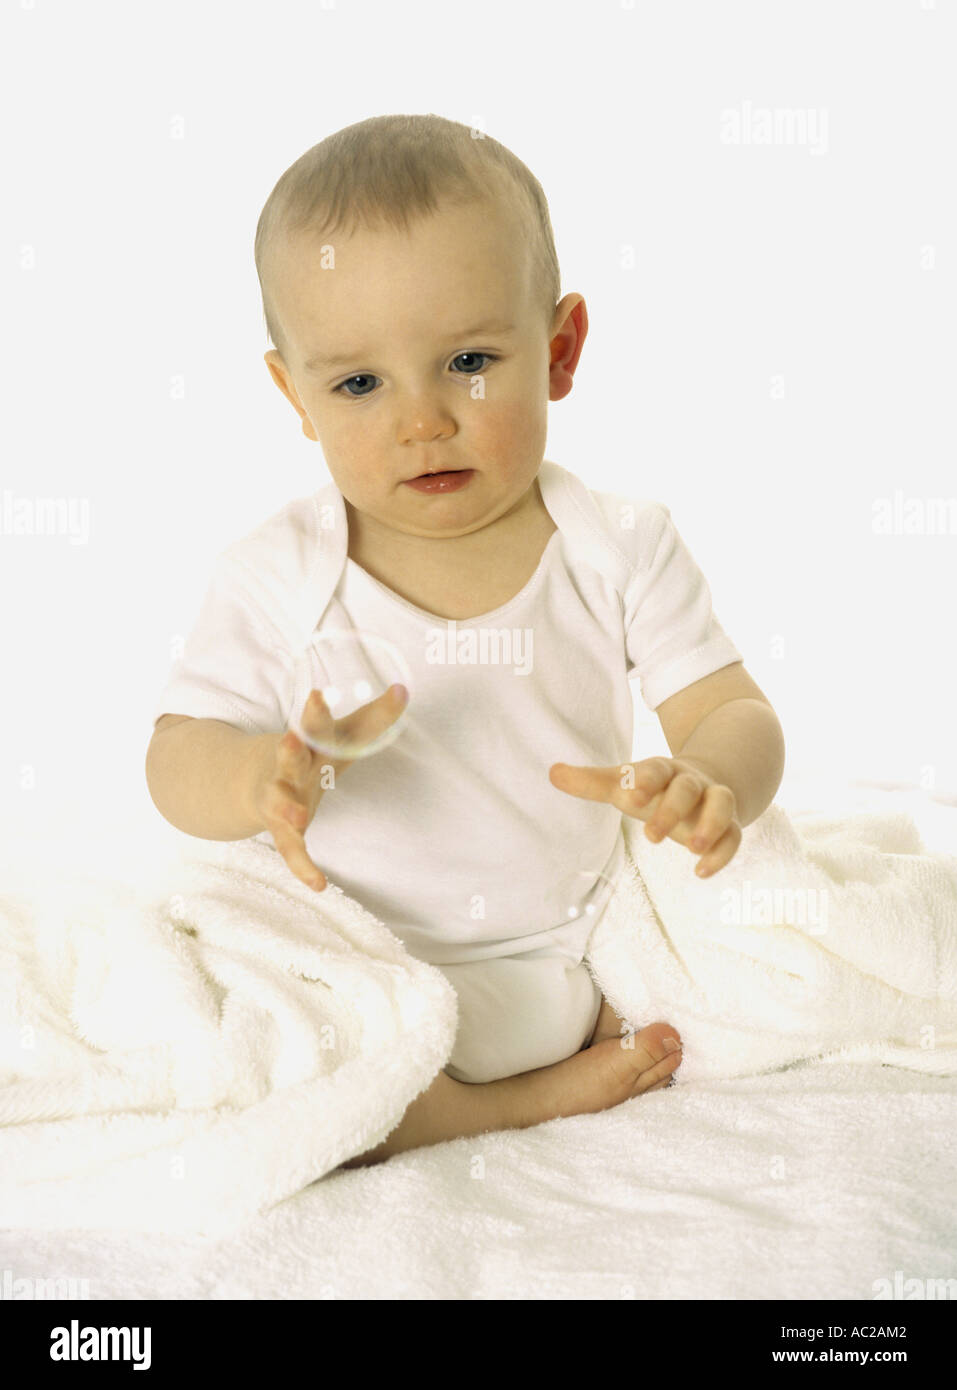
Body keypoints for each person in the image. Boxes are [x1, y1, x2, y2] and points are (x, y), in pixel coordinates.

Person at [146, 114, 786, 1166]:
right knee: (240, 1045)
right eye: (358, 382)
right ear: (294, 394)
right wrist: (261, 775)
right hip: (352, 954)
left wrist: (710, 780)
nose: (423, 418)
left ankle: (514, 1064)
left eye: (471, 361)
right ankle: (498, 1105)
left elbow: (731, 708)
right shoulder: (276, 574)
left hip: (565, 946)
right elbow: (175, 756)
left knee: (772, 966)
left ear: (562, 349)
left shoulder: (617, 545)